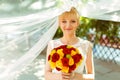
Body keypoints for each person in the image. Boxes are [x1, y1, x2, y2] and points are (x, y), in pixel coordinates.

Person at [45, 7, 95, 80]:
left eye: (73, 21)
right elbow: (47, 74)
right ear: (59, 23)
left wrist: (75, 76)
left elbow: (91, 76)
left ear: (78, 23)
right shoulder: (52, 44)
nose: (68, 25)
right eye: (64, 21)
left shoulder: (86, 45)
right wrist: (59, 76)